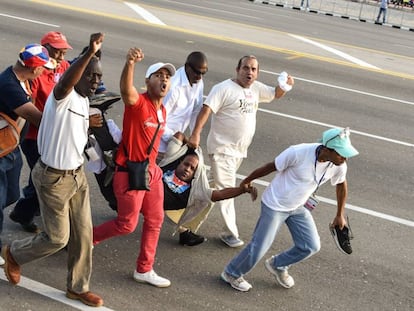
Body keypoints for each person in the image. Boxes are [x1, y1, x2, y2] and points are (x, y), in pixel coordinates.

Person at [2, 33, 105, 308]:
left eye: (98, 78)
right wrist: (88, 53)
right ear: (78, 76)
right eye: (91, 77)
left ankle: (77, 287)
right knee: (58, 238)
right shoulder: (64, 96)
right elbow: (69, 80)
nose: (96, 82)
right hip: (53, 178)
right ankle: (13, 253)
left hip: (76, 175)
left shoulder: (84, 100)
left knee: (84, 235)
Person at [221, 127, 359, 292]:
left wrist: (340, 215)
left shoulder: (339, 164)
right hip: (275, 205)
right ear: (327, 149)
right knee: (259, 246)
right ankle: (231, 273)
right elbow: (271, 166)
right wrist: (247, 181)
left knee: (311, 245)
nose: (345, 158)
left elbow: (341, 185)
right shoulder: (298, 153)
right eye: (341, 153)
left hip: (297, 206)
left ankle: (278, 264)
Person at [187, 55, 294, 248]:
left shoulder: (256, 88)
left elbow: (275, 94)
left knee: (210, 188)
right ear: (237, 69)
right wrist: (196, 134)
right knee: (228, 190)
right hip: (222, 150)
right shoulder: (223, 89)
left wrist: (284, 86)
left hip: (239, 152)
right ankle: (230, 233)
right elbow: (206, 110)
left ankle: (182, 215)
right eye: (246, 68)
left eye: (253, 69)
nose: (249, 72)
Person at [93, 48, 176, 288]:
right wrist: (130, 63)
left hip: (150, 172)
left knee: (155, 219)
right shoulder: (138, 103)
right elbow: (125, 90)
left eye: (167, 77)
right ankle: (88, 238)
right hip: (129, 173)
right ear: (147, 81)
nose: (164, 80)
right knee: (126, 224)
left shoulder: (162, 110)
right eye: (158, 76)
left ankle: (144, 269)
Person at [9, 31, 73, 233]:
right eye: (57, 52)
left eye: (63, 52)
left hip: (54, 132)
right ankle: (25, 213)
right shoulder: (32, 75)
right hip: (34, 136)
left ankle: (24, 211)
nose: (61, 57)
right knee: (44, 179)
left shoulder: (64, 66)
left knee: (38, 180)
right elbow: (32, 110)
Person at [0, 44, 54, 267]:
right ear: (33, 69)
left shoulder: (24, 79)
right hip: (2, 152)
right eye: (43, 67)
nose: (45, 71)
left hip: (11, 150)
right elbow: (37, 118)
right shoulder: (9, 85)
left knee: (11, 195)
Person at [159, 132, 257, 246]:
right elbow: (179, 135)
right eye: (186, 164)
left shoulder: (195, 190)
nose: (187, 169)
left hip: (155, 206)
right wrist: (192, 145)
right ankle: (185, 234)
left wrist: (241, 190)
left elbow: (220, 194)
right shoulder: (170, 162)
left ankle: (184, 233)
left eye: (192, 169)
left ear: (195, 174)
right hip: (143, 192)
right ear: (180, 162)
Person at [157, 51, 208, 162]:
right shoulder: (173, 87)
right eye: (197, 72)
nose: (200, 77)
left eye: (203, 73)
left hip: (176, 145)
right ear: (187, 67)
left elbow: (196, 110)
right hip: (159, 147)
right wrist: (178, 139)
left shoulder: (198, 82)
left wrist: (195, 135)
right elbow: (158, 119)